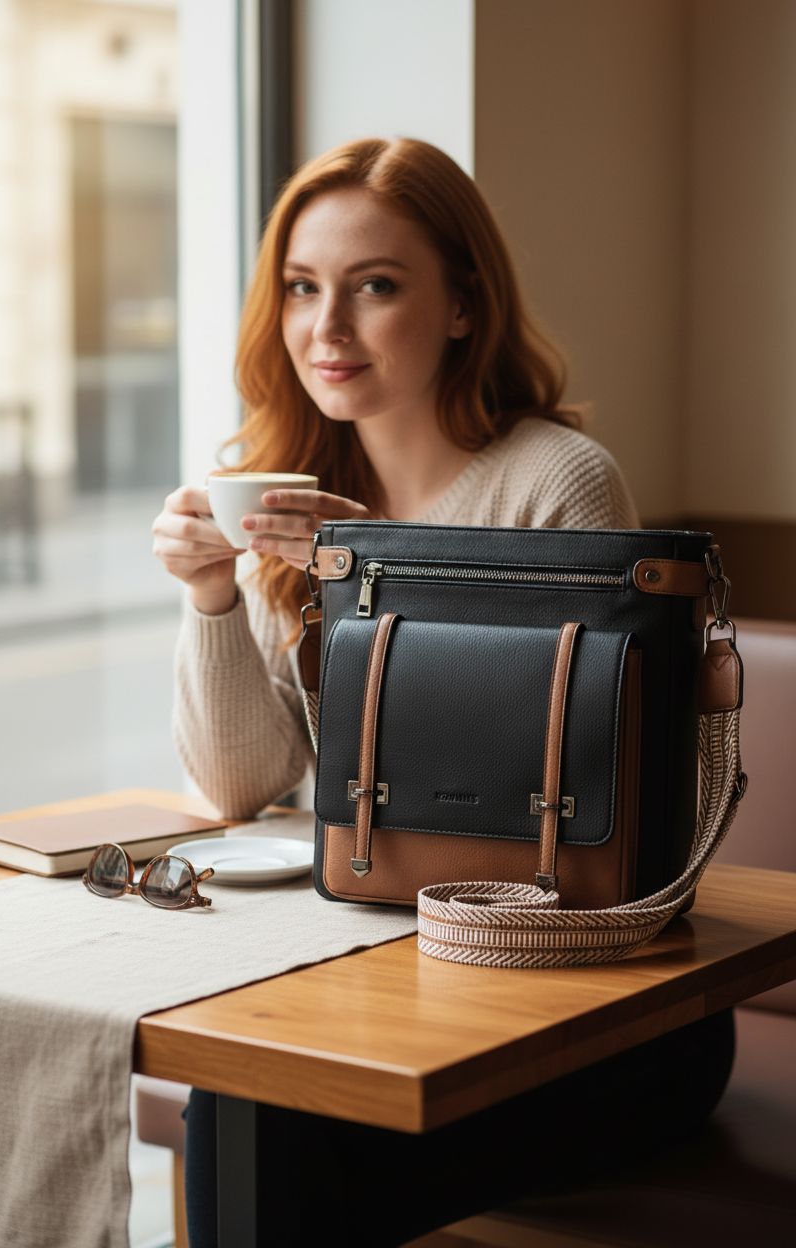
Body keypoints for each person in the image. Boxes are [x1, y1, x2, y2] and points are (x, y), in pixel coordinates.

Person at [152, 137, 734, 1248]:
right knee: (237, 1102)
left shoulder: (555, 479)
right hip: (397, 978)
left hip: (592, 1013)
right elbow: (243, 790)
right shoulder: (293, 497)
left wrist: (395, 584)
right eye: (301, 288)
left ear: (463, 306)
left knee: (272, 1135)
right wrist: (212, 597)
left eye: (375, 287)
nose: (327, 330)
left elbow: (553, 821)